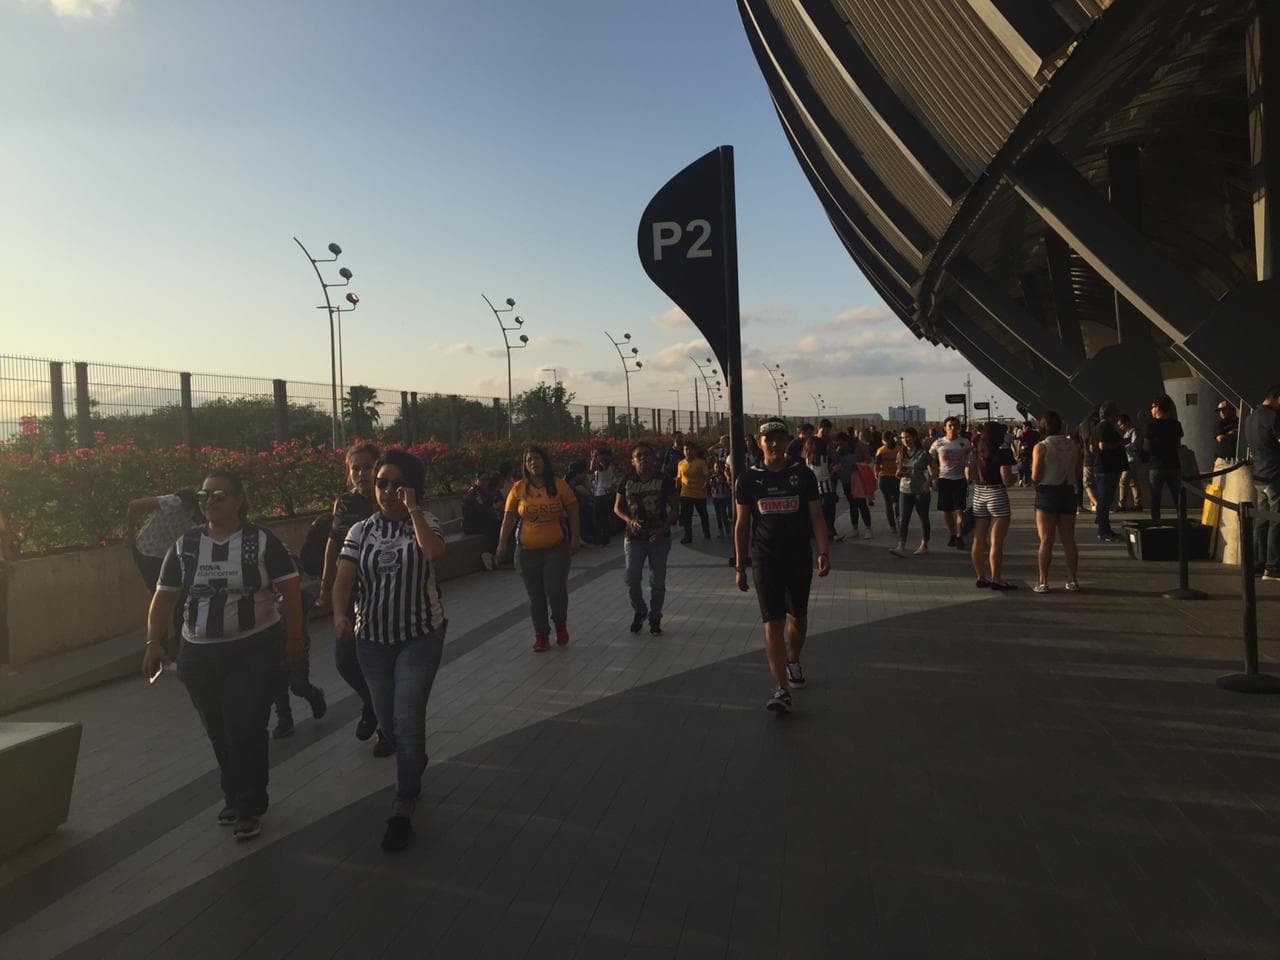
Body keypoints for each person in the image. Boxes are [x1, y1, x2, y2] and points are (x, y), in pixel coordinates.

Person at [141, 471, 305, 842]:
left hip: (254, 649)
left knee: (244, 724)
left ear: (239, 499)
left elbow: (290, 590)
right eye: (204, 495)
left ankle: (250, 804)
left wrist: (294, 638)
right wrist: (153, 643)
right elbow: (164, 597)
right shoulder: (185, 546)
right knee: (218, 728)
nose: (210, 502)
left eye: (219, 495)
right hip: (198, 656)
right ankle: (233, 794)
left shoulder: (261, 541)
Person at [332, 449, 448, 852]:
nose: (386, 491)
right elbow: (343, 579)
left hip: (420, 636)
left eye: (396, 484)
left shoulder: (426, 522)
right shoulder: (360, 531)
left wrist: (412, 509)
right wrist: (339, 615)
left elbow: (433, 553)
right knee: (391, 725)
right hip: (372, 642)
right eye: (381, 483)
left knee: (407, 717)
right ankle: (412, 759)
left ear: (411, 487)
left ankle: (403, 802)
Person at [735, 421, 830, 713]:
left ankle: (793, 661)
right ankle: (780, 688)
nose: (774, 445)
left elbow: (816, 515)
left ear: (788, 441)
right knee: (771, 622)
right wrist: (740, 565)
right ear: (760, 443)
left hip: (798, 556)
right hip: (764, 559)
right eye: (769, 440)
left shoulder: (802, 475)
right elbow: (741, 524)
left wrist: (823, 551)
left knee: (797, 618)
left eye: (779, 439)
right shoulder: (748, 479)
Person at [314, 441, 389, 755]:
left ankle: (387, 729)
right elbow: (333, 544)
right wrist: (326, 584)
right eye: (355, 468)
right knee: (345, 660)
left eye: (367, 467)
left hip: (386, 595)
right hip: (350, 594)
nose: (361, 474)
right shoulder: (344, 503)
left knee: (383, 664)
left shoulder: (390, 500)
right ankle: (372, 703)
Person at [496, 446, 582, 651]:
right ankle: (541, 635)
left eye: (537, 458)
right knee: (536, 595)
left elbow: (573, 511)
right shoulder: (518, 489)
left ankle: (560, 625)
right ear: (525, 465)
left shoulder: (559, 485)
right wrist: (502, 543)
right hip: (527, 551)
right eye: (529, 460)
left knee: (555, 591)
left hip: (556, 549)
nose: (534, 462)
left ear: (545, 461)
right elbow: (508, 518)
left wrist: (575, 538)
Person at [125, 489, 201, 658]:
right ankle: (160, 650)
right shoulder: (176, 502)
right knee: (160, 597)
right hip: (147, 552)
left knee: (182, 598)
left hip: (170, 554)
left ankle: (180, 648)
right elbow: (134, 505)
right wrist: (130, 532)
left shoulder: (201, 517)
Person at [615, 442, 679, 634]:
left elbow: (675, 508)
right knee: (631, 578)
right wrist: (629, 520)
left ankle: (655, 617)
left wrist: (663, 529)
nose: (643, 459)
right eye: (639, 456)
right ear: (632, 460)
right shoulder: (626, 480)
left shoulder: (664, 479)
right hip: (634, 538)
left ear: (654, 458)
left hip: (659, 538)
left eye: (647, 455)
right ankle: (640, 610)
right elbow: (617, 508)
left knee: (657, 582)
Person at [1031, 411, 1081, 593]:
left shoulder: (1041, 447)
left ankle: (1043, 581)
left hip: (1047, 492)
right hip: (1068, 492)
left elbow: (1036, 475)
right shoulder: (1073, 445)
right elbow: (1078, 472)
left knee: (1046, 540)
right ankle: (1073, 579)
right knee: (1069, 540)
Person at [966, 421, 1017, 590]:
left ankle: (981, 576)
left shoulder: (975, 451)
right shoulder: (1003, 452)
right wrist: (1017, 478)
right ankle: (997, 578)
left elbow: (968, 474)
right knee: (996, 541)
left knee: (978, 538)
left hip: (979, 494)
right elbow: (1007, 479)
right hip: (997, 495)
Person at [1245, 383, 1280, 581]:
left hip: (1258, 475)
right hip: (1274, 475)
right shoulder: (1273, 417)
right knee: (1276, 520)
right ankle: (1272, 567)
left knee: (1261, 520)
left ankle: (1258, 564)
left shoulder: (1250, 417)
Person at [929, 416, 972, 550]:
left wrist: (969, 476)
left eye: (955, 426)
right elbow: (929, 460)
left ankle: (959, 536)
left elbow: (971, 461)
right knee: (947, 511)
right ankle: (952, 534)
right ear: (945, 428)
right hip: (944, 480)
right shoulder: (938, 443)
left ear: (959, 428)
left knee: (959, 510)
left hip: (959, 480)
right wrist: (933, 477)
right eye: (950, 426)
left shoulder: (965, 443)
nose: (953, 428)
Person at [890, 427, 934, 557]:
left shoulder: (923, 454)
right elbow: (899, 471)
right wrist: (898, 473)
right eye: (902, 438)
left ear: (914, 438)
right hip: (905, 489)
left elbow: (935, 470)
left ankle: (924, 544)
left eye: (908, 437)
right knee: (903, 518)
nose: (905, 440)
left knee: (923, 517)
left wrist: (928, 482)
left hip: (920, 489)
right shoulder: (900, 454)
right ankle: (901, 545)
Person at [1144, 395, 1184, 522]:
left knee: (1155, 497)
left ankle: (1156, 521)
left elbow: (1146, 446)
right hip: (1173, 464)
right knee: (1177, 496)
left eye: (1152, 407)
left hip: (1156, 465)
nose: (1151, 410)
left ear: (1157, 408)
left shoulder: (1151, 426)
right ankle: (1182, 521)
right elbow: (1178, 444)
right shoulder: (1176, 425)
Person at [1090, 402, 1127, 542]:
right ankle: (1104, 531)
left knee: (1104, 500)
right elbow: (1102, 445)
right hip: (1107, 468)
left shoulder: (1095, 428)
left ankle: (1103, 528)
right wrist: (1121, 443)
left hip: (1100, 467)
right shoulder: (1105, 428)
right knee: (1105, 501)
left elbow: (1092, 448)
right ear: (1110, 415)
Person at [803, 432, 840, 542]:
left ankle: (815, 532)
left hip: (814, 489)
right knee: (829, 512)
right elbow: (828, 472)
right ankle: (830, 531)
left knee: (817, 513)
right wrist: (834, 470)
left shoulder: (807, 459)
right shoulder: (824, 458)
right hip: (827, 487)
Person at [461, 472, 500, 569]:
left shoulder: (484, 492)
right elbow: (481, 510)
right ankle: (489, 554)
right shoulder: (474, 493)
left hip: (480, 521)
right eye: (482, 480)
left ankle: (493, 554)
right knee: (495, 526)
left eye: (487, 480)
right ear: (476, 480)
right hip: (471, 525)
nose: (485, 482)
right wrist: (494, 508)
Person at [676, 440, 712, 543]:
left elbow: (706, 476)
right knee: (687, 516)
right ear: (683, 451)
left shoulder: (700, 463)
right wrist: (676, 491)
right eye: (686, 449)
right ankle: (688, 536)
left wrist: (705, 485)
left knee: (703, 515)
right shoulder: (681, 464)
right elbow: (679, 478)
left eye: (690, 449)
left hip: (699, 494)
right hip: (686, 494)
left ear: (694, 451)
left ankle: (706, 532)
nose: (688, 451)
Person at [589, 445, 618, 546]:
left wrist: (593, 458)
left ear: (602, 455)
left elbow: (591, 469)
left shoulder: (603, 465)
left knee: (598, 518)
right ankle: (606, 538)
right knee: (605, 517)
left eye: (598, 454)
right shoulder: (610, 464)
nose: (596, 456)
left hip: (600, 493)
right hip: (607, 492)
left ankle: (600, 540)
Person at [875, 430, 900, 535]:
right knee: (897, 502)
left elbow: (877, 466)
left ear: (883, 440)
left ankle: (892, 526)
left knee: (888, 503)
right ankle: (900, 522)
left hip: (884, 478)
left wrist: (876, 475)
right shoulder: (899, 449)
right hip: (896, 477)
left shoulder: (881, 451)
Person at [1118, 413, 1144, 512]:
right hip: (1130, 459)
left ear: (1127, 422)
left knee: (1123, 482)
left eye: (1121, 424)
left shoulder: (1134, 432)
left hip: (1132, 460)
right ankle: (1138, 503)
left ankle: (1122, 504)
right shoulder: (1127, 433)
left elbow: (1135, 446)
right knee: (1133, 482)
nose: (1120, 427)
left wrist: (1123, 446)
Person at [708, 458, 732, 538]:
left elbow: (729, 484)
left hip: (724, 497)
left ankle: (727, 527)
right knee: (718, 515)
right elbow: (711, 485)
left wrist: (725, 481)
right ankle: (721, 530)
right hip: (716, 497)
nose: (718, 469)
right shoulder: (713, 477)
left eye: (719, 467)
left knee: (723, 513)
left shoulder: (726, 476)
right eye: (716, 467)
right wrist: (714, 483)